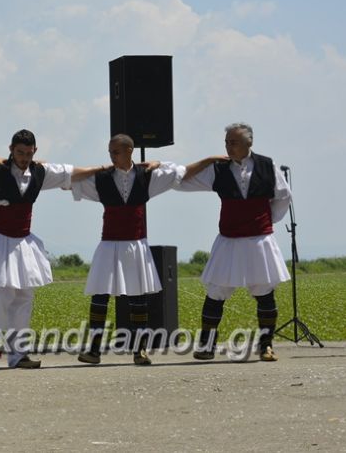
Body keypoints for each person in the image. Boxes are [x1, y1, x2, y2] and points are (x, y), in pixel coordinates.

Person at [71, 133, 220, 365]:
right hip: (109, 243)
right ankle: (93, 350)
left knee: (137, 298)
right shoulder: (101, 178)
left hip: (135, 243)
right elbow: (70, 179)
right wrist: (98, 167)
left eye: (116, 152)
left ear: (130, 151)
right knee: (100, 297)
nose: (111, 156)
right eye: (110, 152)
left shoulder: (147, 176)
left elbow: (179, 172)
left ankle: (140, 350)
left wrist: (163, 161)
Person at [0, 129, 98, 371]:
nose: (24, 157)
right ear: (11, 150)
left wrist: (105, 169)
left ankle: (19, 355)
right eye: (19, 152)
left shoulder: (40, 172)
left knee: (23, 299)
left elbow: (71, 172)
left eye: (28, 153)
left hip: (23, 244)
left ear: (34, 151)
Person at [179, 122, 291, 362]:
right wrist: (207, 160)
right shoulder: (217, 169)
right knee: (216, 291)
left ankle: (266, 346)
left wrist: (267, 220)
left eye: (233, 142)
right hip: (228, 240)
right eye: (227, 142)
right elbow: (181, 181)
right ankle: (207, 346)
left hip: (259, 240)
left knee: (264, 291)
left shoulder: (267, 165)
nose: (228, 147)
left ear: (249, 143)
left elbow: (283, 196)